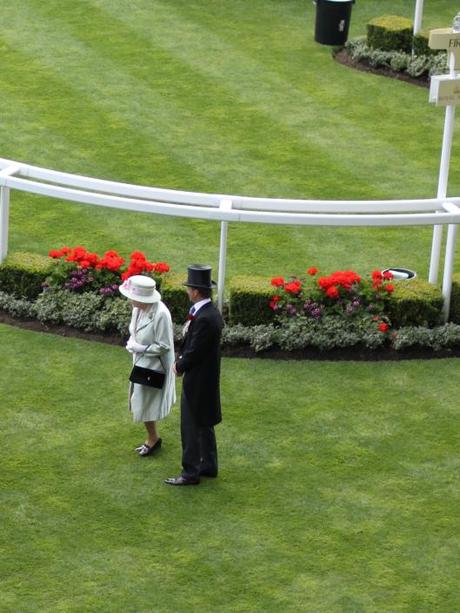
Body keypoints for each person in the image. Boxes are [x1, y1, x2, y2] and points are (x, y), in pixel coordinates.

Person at [165, 264, 224, 486]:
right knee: (204, 422)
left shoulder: (205, 318)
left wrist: (179, 366)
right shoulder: (208, 313)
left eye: (189, 287)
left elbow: (195, 349)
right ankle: (208, 464)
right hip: (205, 379)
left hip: (198, 380)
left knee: (190, 426)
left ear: (196, 291)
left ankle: (190, 472)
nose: (188, 290)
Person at [119, 274, 176, 456]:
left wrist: (141, 348)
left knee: (144, 400)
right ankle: (153, 437)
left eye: (132, 297)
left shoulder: (161, 314)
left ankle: (153, 439)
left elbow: (164, 346)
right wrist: (132, 343)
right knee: (141, 399)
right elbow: (135, 331)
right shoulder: (138, 309)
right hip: (141, 362)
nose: (129, 300)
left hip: (154, 365)